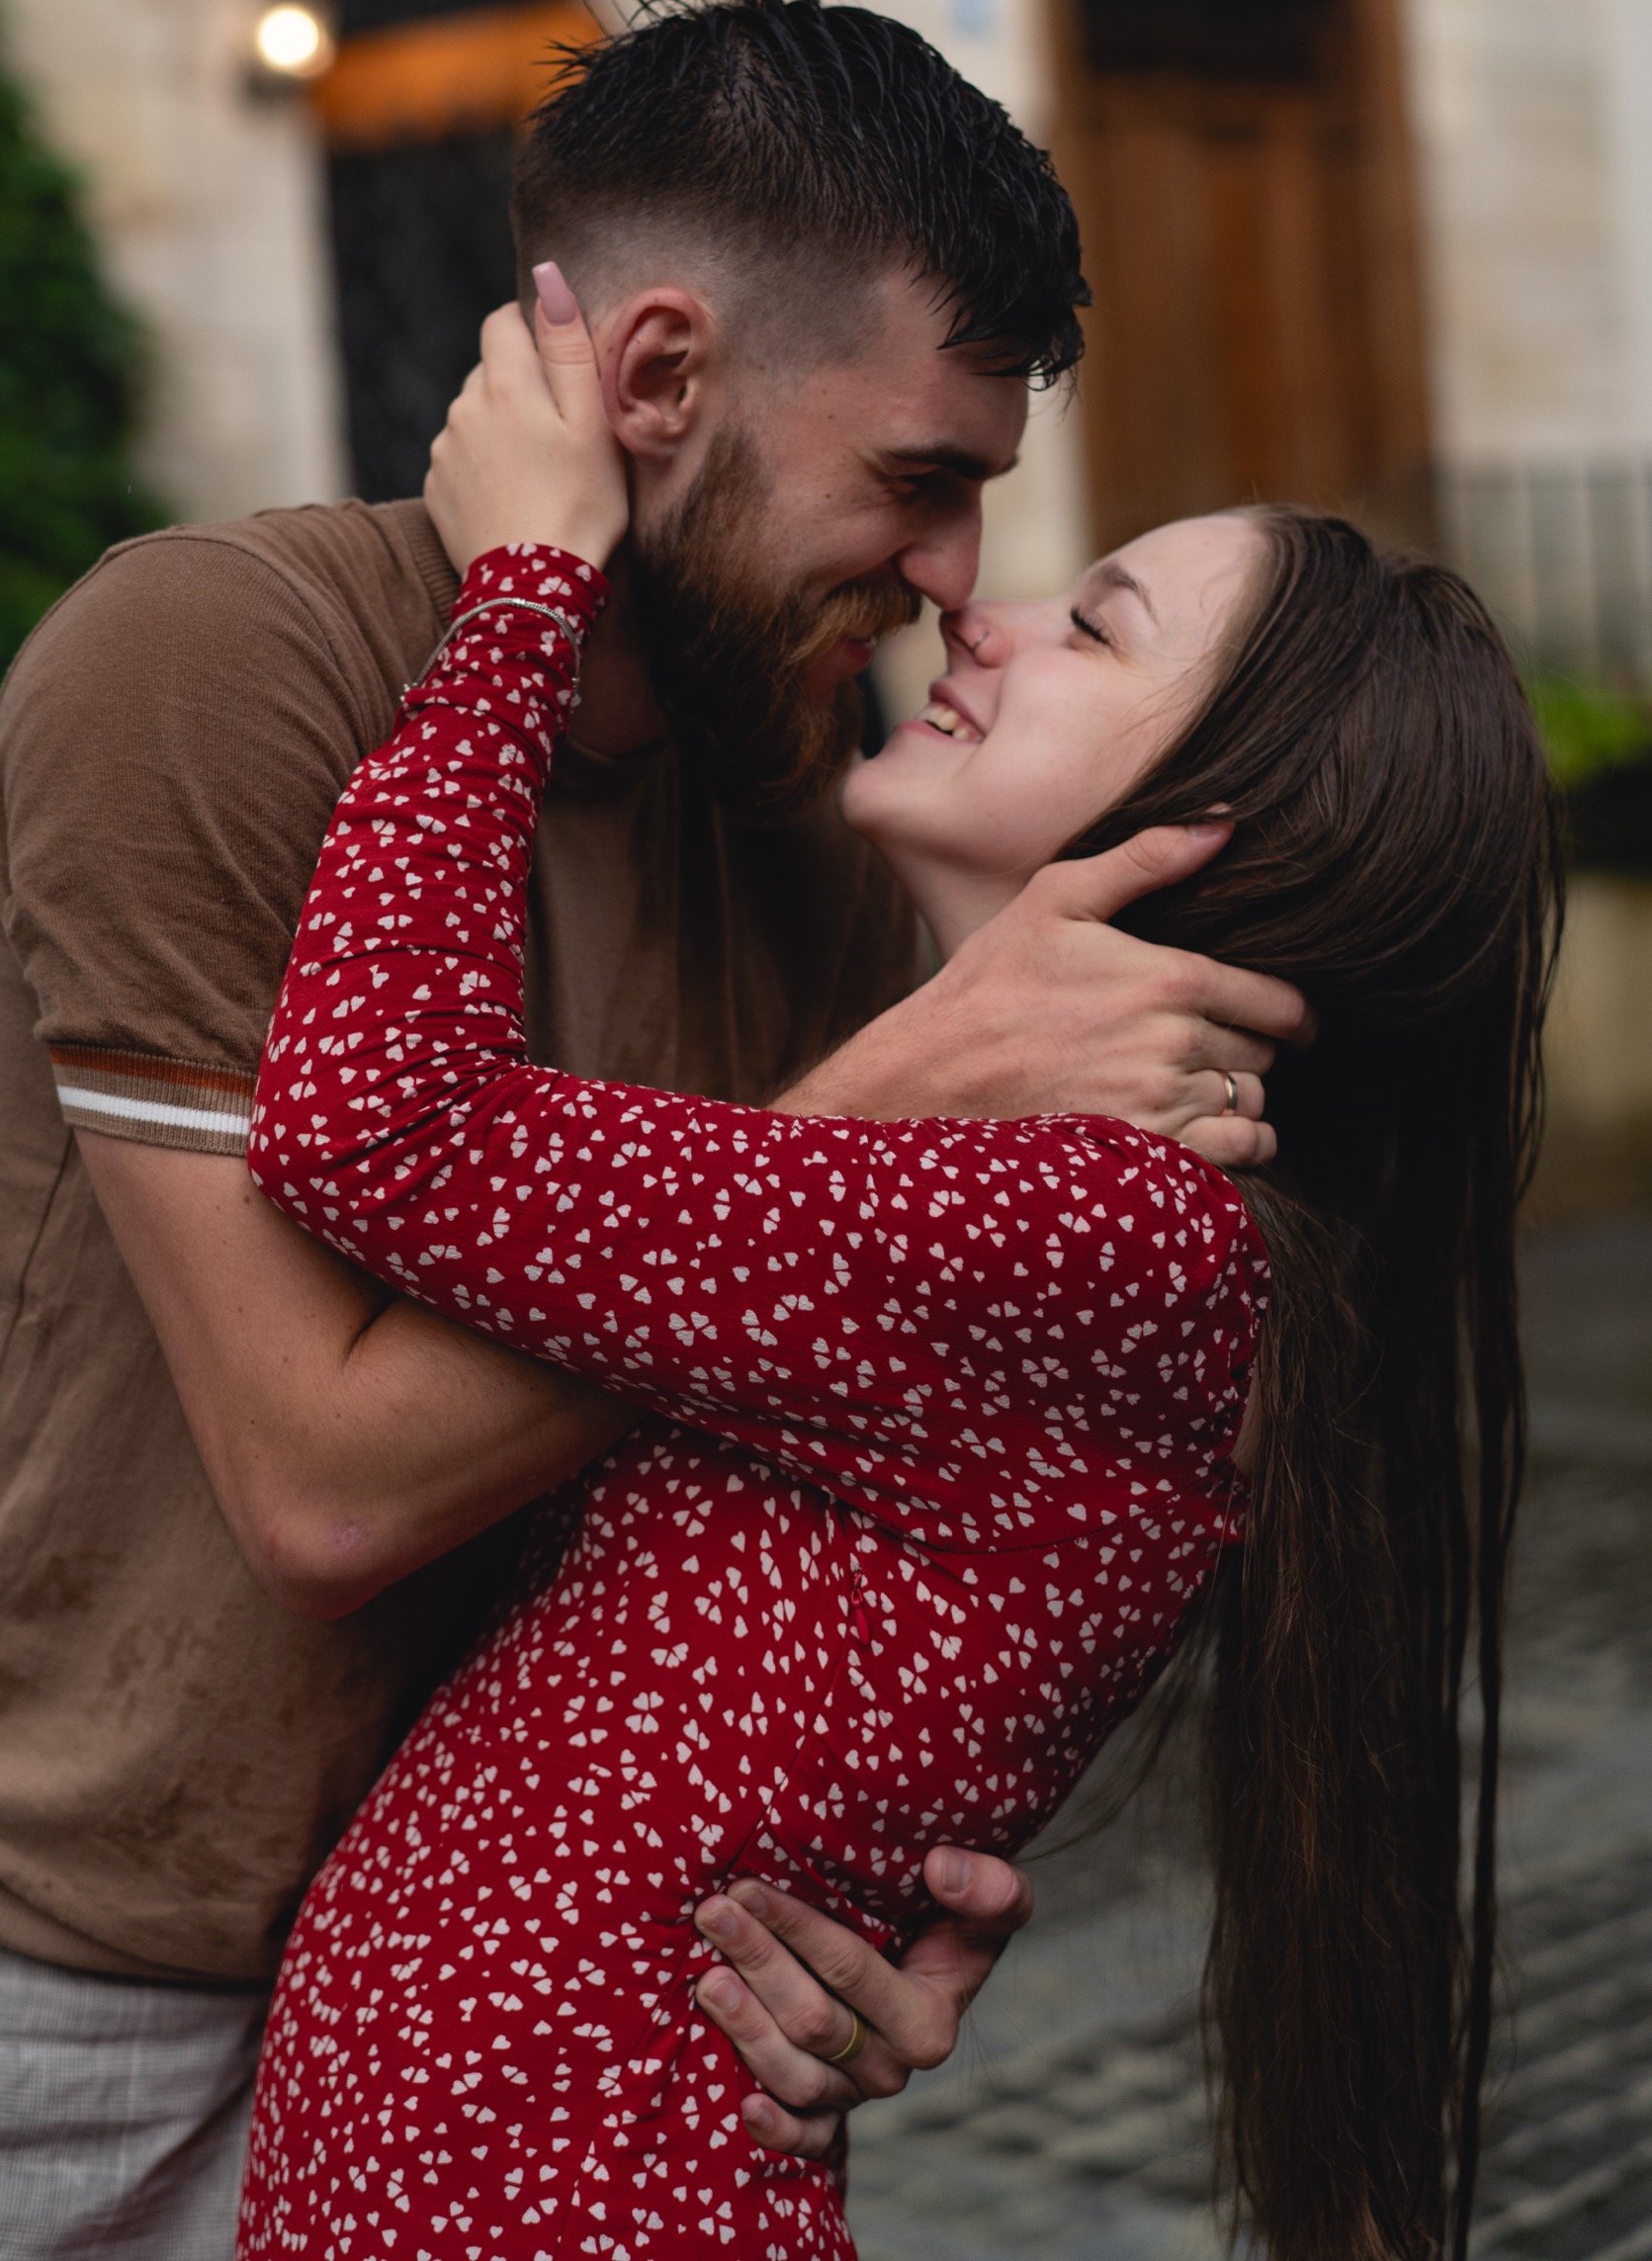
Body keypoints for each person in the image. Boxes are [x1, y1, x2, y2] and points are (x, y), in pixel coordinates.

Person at [0, 0, 1298, 2260]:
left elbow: (868, 1461)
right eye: (921, 481)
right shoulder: (207, 668)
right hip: (25, 2003)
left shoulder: (811, 816)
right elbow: (321, 1482)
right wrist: (891, 1094)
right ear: (655, 382)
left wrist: (908, 1894)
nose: (958, 575)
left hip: (510, 2033)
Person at [233, 280, 1557, 2261]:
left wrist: (520, 585)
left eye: (1093, 621)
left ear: (1216, 838)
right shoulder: (1076, 1200)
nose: (980, 611)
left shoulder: (1110, 1232)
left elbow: (379, 1127)